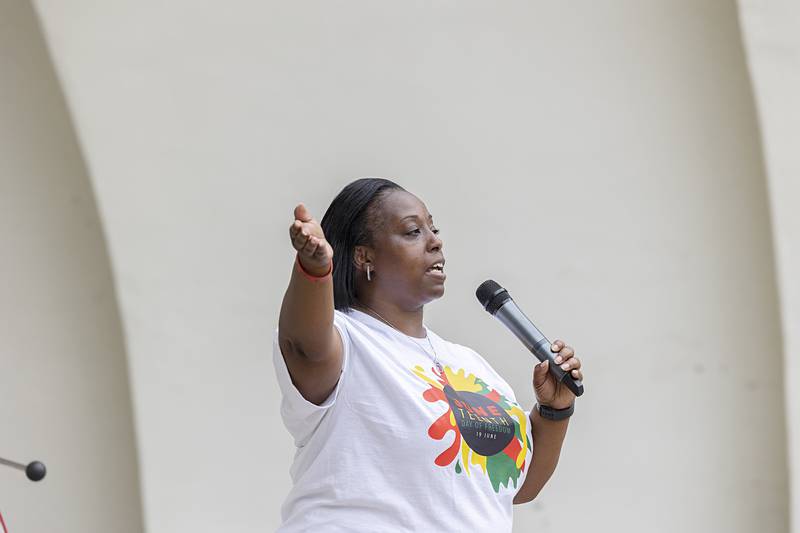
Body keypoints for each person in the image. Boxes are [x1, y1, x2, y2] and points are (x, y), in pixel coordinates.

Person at [273, 177, 584, 532]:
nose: (436, 242)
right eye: (413, 232)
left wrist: (555, 411)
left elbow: (515, 485)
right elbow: (303, 345)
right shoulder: (346, 341)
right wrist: (314, 270)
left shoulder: (469, 364)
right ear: (364, 255)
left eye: (433, 229)